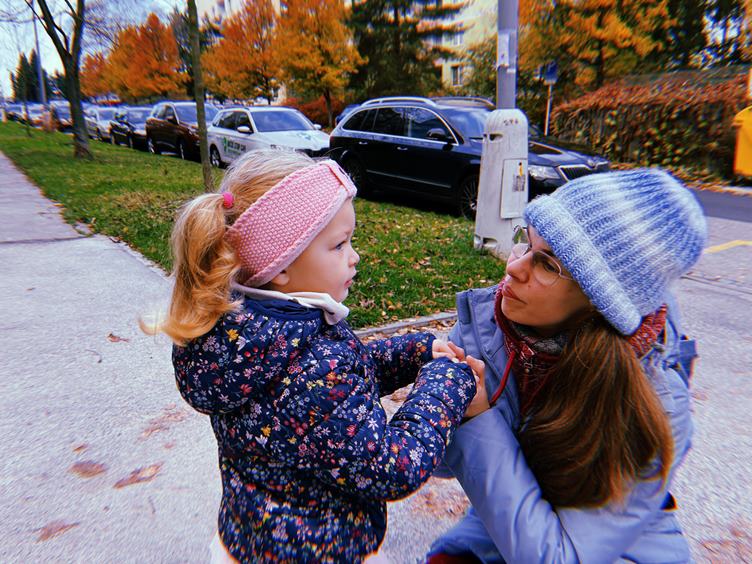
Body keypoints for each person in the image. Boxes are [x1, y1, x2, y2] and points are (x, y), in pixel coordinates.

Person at [145, 149, 483, 563]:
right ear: (281, 267)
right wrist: (446, 382)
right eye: (339, 245)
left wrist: (414, 352)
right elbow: (390, 467)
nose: (354, 256)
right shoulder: (309, 360)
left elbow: (340, 382)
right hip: (324, 551)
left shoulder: (244, 333)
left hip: (245, 542)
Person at [427, 169, 707, 563]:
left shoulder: (655, 405)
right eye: (526, 242)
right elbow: (438, 466)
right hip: (512, 518)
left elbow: (560, 556)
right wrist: (437, 406)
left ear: (601, 302)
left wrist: (477, 418)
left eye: (547, 265)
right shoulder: (490, 326)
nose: (513, 268)